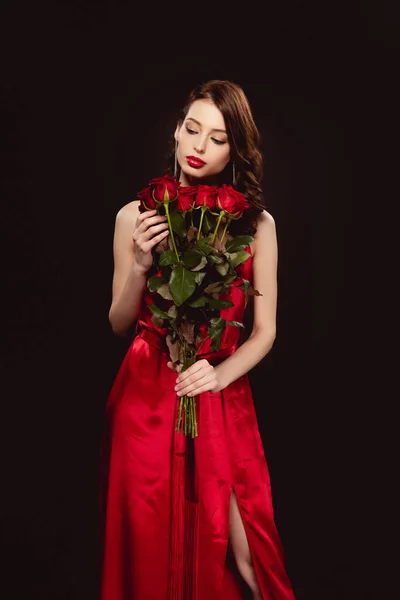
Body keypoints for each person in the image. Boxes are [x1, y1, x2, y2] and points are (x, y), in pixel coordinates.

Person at [99, 80, 296, 600]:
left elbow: (265, 330)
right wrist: (140, 266)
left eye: (218, 137)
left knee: (246, 553)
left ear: (236, 149)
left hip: (216, 393)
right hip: (144, 398)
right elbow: (120, 322)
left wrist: (218, 374)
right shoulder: (133, 216)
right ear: (177, 129)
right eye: (192, 129)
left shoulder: (256, 226)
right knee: (147, 544)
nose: (199, 146)